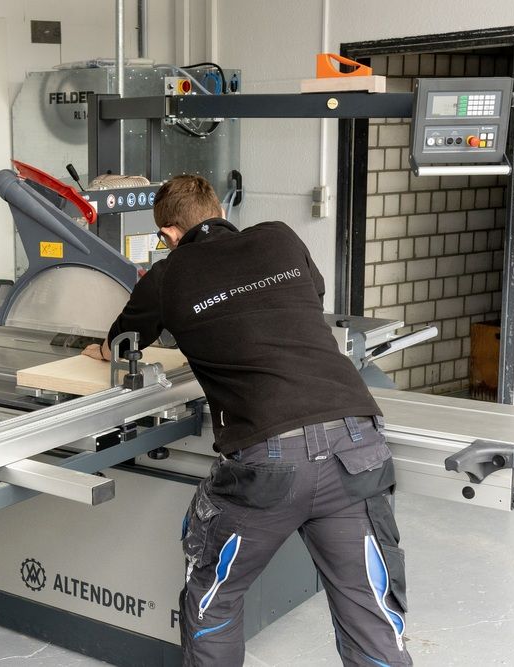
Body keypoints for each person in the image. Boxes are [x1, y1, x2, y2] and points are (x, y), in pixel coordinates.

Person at [82, 175, 411, 667]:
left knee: (215, 601)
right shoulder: (280, 237)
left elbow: (125, 342)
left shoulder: (168, 277)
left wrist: (100, 348)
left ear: (169, 235)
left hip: (269, 461)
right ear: (218, 210)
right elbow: (305, 297)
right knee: (372, 615)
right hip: (356, 444)